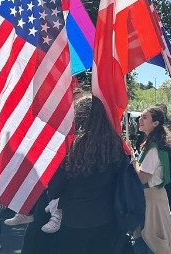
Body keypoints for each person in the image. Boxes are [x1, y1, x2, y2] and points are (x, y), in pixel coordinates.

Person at [49, 96, 131, 254]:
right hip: (107, 219)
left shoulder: (70, 147)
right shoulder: (115, 144)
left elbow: (54, 190)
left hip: (74, 220)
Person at [131, 104, 171, 254]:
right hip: (154, 197)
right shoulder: (153, 144)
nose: (140, 120)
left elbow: (143, 178)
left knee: (152, 240)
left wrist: (133, 161)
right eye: (141, 117)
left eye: (145, 117)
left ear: (155, 123)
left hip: (151, 199)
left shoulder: (153, 148)